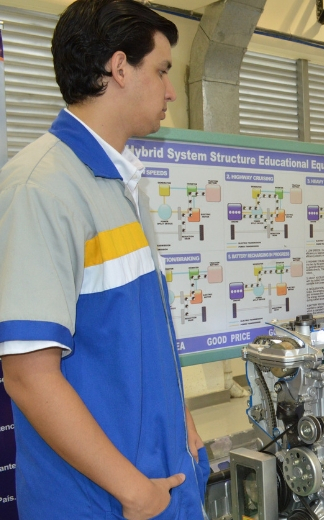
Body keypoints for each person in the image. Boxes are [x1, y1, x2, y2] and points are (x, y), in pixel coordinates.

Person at [0, 1, 209, 518]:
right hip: (101, 501)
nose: (168, 90)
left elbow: (141, 337)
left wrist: (187, 429)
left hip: (163, 480)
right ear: (119, 68)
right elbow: (28, 374)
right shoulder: (40, 187)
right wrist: (133, 491)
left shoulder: (123, 185)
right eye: (161, 71)